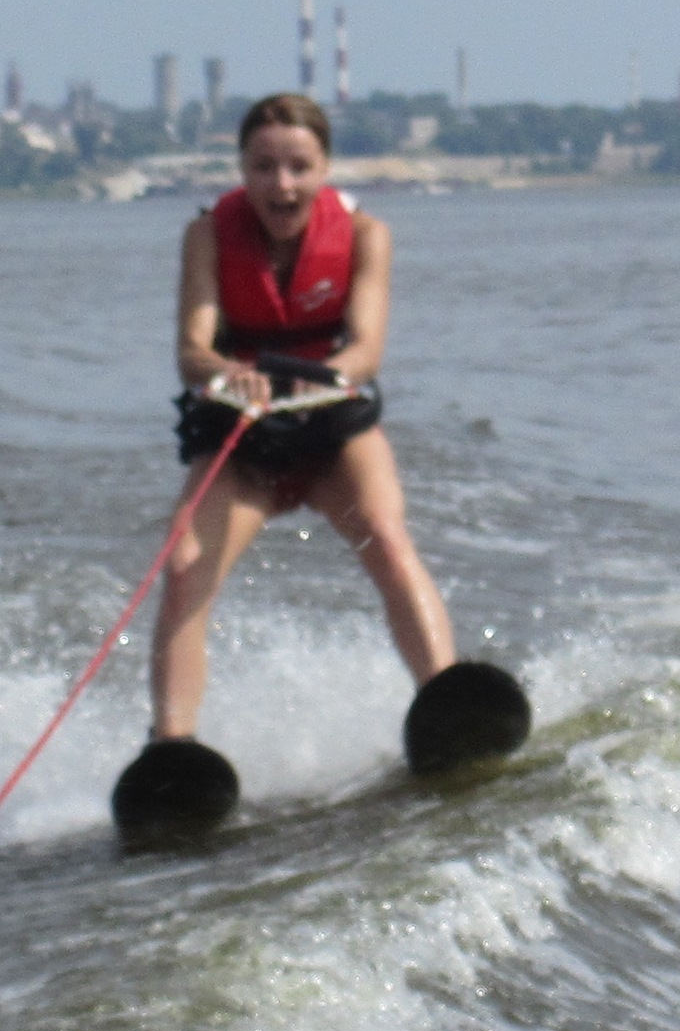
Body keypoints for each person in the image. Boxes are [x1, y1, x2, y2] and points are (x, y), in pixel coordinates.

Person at [148, 92, 455, 741]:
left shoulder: (367, 236)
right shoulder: (207, 236)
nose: (280, 185)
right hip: (243, 438)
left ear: (324, 169)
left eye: (298, 167)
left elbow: (365, 351)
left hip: (331, 434)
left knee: (386, 536)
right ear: (242, 170)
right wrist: (228, 373)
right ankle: (172, 747)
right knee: (183, 566)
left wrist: (321, 379)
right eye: (263, 167)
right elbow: (191, 353)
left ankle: (448, 703)